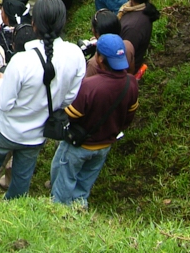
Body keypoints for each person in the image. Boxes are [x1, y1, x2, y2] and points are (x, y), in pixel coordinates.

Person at [0, 0, 86, 198]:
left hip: (5, 129)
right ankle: (14, 210)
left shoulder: (21, 61)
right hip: (37, 133)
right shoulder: (76, 55)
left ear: (33, 24)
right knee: (22, 179)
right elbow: (69, 98)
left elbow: (5, 103)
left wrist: (0, 79)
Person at [51, 34, 138, 206]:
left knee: (63, 186)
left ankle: (59, 219)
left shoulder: (90, 86)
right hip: (104, 146)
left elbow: (72, 114)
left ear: (99, 58)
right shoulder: (131, 83)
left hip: (80, 145)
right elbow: (129, 115)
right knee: (82, 188)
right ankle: (79, 213)